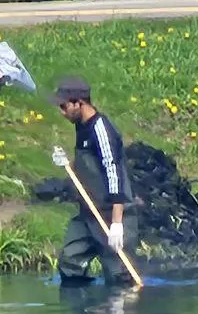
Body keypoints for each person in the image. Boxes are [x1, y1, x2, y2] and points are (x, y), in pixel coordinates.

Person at [49, 76, 140, 286]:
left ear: (79, 103)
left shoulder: (102, 130)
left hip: (112, 214)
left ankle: (120, 303)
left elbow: (113, 173)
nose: (62, 112)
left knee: (119, 276)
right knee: (70, 262)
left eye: (64, 106)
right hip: (89, 213)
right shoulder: (81, 126)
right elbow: (89, 167)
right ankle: (82, 303)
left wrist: (117, 224)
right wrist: (67, 164)